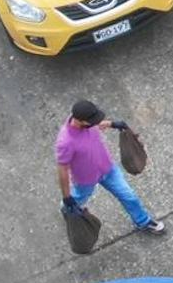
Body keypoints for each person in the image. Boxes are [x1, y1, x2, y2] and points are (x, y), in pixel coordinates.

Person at [56, 99, 165, 235]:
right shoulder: (65, 142)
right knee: (76, 200)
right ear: (82, 121)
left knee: (129, 196)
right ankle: (65, 208)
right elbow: (62, 171)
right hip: (85, 179)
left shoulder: (85, 122)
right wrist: (66, 197)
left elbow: (96, 124)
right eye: (93, 120)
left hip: (108, 169)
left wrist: (112, 124)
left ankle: (143, 222)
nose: (96, 122)